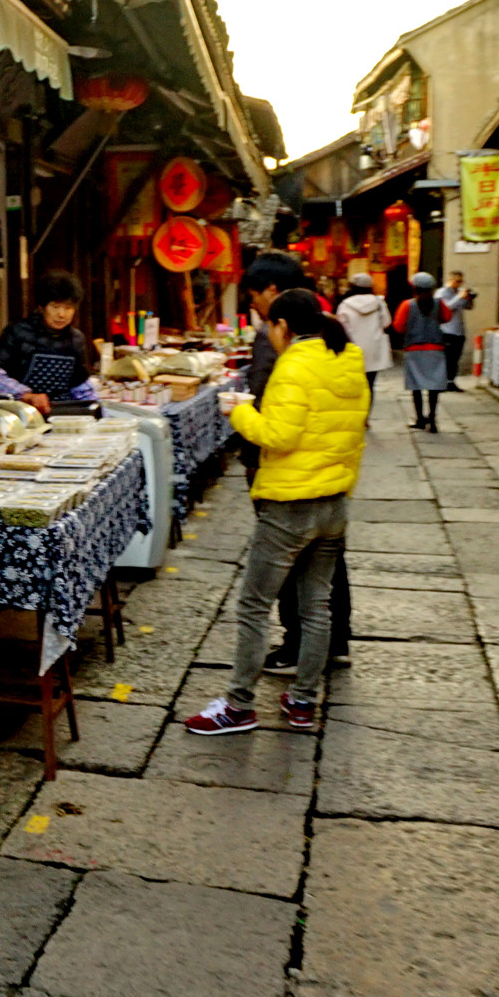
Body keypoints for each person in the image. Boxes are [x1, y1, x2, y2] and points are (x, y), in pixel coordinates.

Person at [185, 287, 367, 734]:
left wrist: (240, 413)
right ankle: (304, 701)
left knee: (253, 605)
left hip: (290, 504)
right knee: (316, 607)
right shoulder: (347, 358)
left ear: (283, 325)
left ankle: (239, 705)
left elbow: (279, 435)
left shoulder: (295, 364)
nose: (270, 332)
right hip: (333, 503)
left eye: (270, 324)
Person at [239, 252, 352, 676]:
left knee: (276, 578)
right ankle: (331, 645)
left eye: (254, 295)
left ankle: (293, 650)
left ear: (273, 292)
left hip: (290, 478)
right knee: (324, 572)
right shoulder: (338, 343)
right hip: (332, 478)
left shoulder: (282, 343)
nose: (253, 305)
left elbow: (274, 424)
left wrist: (237, 412)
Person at [0, 270, 98, 415]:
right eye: (55, 306)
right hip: (19, 415)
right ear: (42, 308)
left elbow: (81, 386)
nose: (61, 314)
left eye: (68, 308)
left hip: (61, 415)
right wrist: (27, 395)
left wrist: (100, 414)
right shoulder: (17, 331)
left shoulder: (76, 339)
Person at [393, 270, 456, 430]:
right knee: (434, 387)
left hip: (414, 349)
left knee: (416, 386)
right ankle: (433, 419)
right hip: (436, 348)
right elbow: (447, 318)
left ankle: (420, 418)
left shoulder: (407, 305)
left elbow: (398, 327)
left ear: (415, 288)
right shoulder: (439, 304)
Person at [335, 272, 393, 406]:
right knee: (370, 384)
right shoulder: (379, 303)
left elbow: (341, 326)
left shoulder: (345, 304)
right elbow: (386, 322)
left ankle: (355, 411)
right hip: (374, 348)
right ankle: (366, 414)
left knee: (353, 383)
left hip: (352, 348)